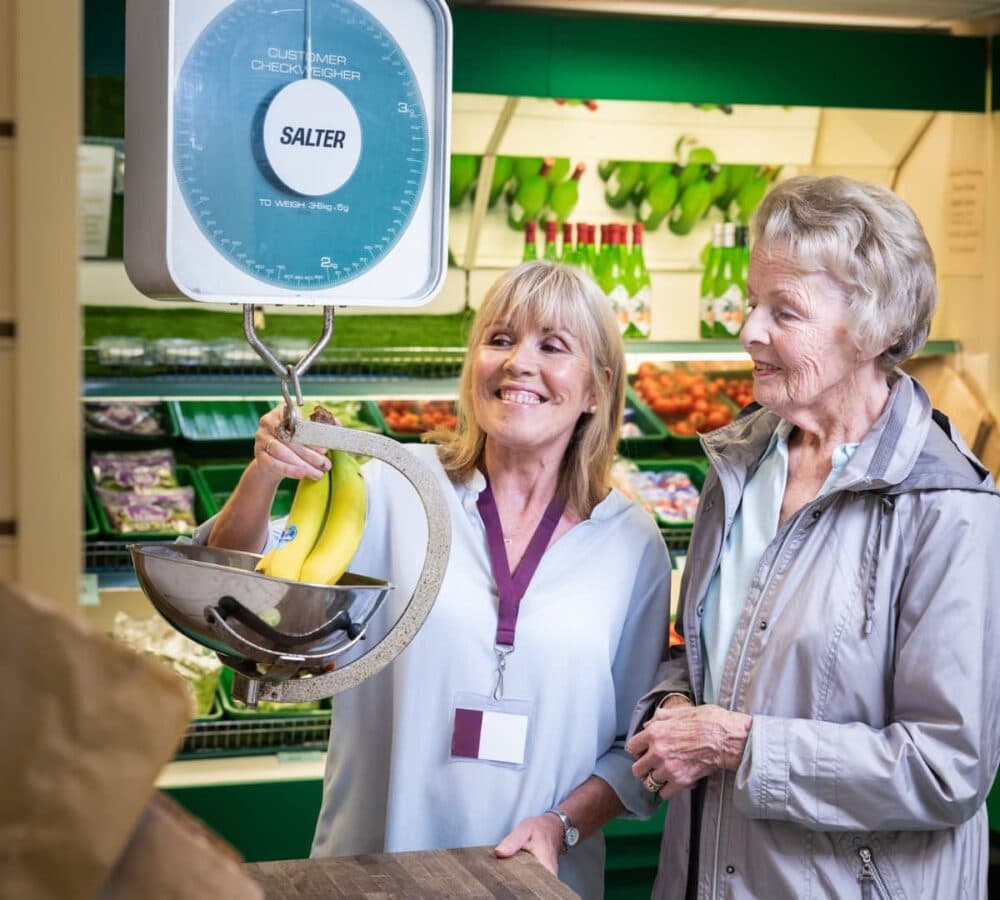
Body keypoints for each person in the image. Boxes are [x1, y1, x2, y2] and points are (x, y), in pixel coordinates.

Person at [199, 261, 671, 898]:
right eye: (499, 340)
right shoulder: (400, 487)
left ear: (597, 387)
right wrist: (266, 473)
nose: (518, 363)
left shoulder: (631, 542)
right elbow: (238, 590)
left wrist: (562, 825)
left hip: (533, 881)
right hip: (373, 871)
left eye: (552, 346)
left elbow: (632, 746)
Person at [626, 175, 1000, 899]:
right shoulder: (738, 465)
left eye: (784, 311)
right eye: (751, 301)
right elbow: (710, 664)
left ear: (874, 330)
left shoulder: (944, 503)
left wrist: (732, 743)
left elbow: (944, 767)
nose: (747, 331)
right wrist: (674, 708)